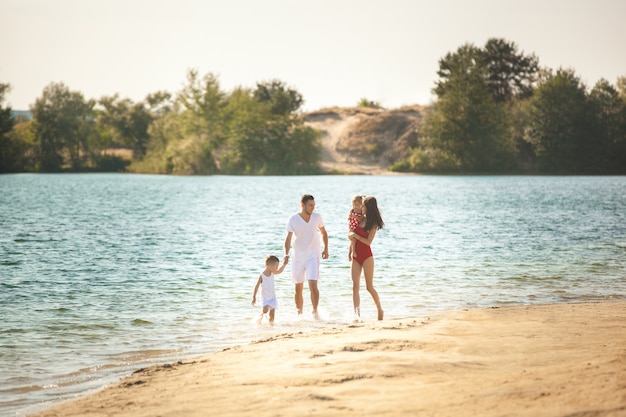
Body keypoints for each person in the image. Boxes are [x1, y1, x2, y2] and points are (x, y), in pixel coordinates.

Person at [284, 194, 329, 319]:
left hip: (313, 256)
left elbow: (324, 233)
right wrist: (286, 254)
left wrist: (326, 248)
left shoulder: (317, 217)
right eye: (310, 205)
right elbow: (288, 239)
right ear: (302, 205)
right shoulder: (293, 219)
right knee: (298, 288)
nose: (312, 208)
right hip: (297, 257)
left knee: (313, 286)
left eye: (314, 205)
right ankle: (300, 315)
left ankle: (315, 313)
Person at [349, 196, 385, 321]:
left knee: (369, 287)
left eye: (363, 206)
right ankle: (357, 315)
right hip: (356, 256)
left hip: (367, 257)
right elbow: (351, 233)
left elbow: (368, 242)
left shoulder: (373, 224)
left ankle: (380, 309)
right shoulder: (360, 219)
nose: (361, 208)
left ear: (368, 208)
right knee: (355, 286)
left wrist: (355, 235)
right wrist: (350, 250)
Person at [251, 255, 289, 325]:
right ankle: (260, 318)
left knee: (272, 314)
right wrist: (254, 297)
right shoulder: (262, 275)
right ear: (270, 266)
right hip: (265, 298)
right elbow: (256, 286)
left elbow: (279, 271)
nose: (277, 268)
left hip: (272, 297)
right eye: (276, 266)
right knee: (265, 310)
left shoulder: (272, 272)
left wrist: (284, 264)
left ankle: (271, 325)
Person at [347, 195, 364, 260]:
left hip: (357, 227)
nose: (354, 207)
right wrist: (350, 217)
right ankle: (351, 253)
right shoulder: (352, 210)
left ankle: (351, 253)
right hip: (351, 226)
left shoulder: (361, 212)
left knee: (353, 241)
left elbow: (361, 220)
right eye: (353, 205)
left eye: (356, 205)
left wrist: (355, 217)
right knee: (353, 240)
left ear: (361, 205)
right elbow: (348, 218)